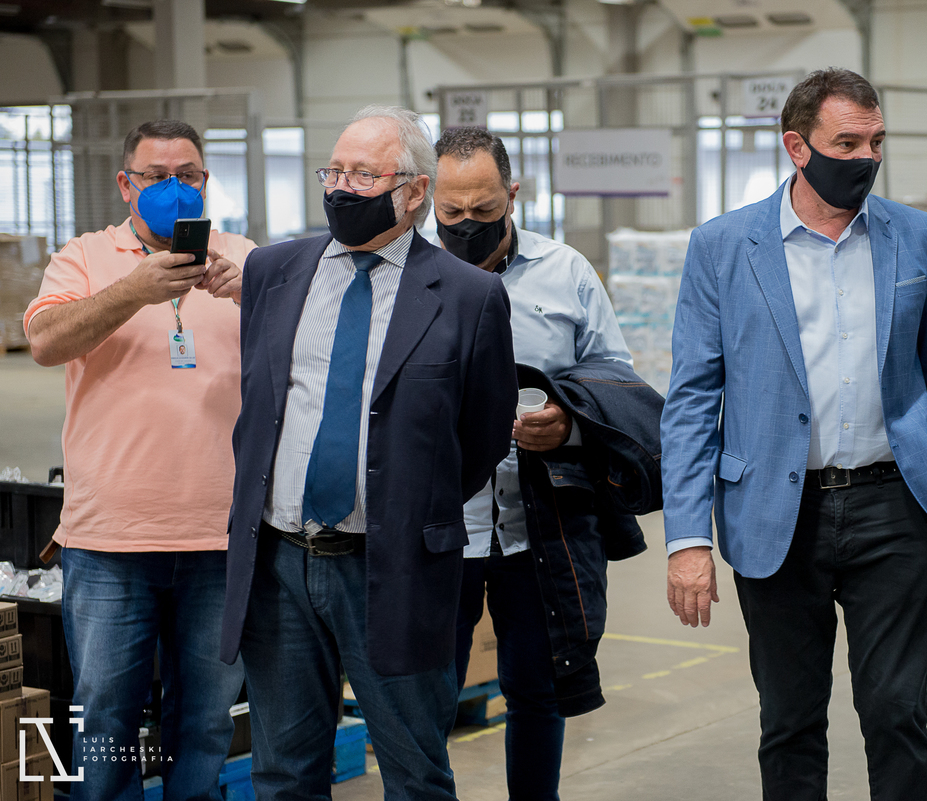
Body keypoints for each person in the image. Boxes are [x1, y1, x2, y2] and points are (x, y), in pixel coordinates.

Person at [660, 68, 927, 801]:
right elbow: (692, 400)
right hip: (777, 511)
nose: (867, 157)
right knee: (790, 719)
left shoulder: (914, 236)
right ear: (797, 147)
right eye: (848, 144)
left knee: (897, 711)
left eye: (877, 142)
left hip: (895, 508)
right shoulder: (723, 246)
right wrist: (688, 539)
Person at [219, 106, 517, 801]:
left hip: (394, 567)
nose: (342, 187)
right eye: (334, 171)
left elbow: (479, 438)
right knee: (283, 773)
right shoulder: (272, 271)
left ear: (413, 192)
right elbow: (260, 403)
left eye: (363, 175)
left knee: (415, 774)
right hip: (279, 563)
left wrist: (405, 503)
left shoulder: (469, 296)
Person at [23, 119, 251, 801]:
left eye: (189, 175)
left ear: (207, 181)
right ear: (126, 185)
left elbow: (305, 355)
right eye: (156, 176)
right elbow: (45, 341)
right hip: (110, 540)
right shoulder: (86, 256)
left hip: (219, 537)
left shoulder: (244, 258)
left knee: (205, 720)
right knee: (106, 716)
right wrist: (133, 289)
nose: (174, 188)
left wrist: (252, 293)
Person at [433, 126, 648, 801]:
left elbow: (616, 381)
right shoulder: (405, 274)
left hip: (538, 524)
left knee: (538, 688)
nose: (468, 224)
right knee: (423, 695)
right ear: (428, 198)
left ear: (514, 193)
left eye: (485, 209)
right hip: (438, 527)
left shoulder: (566, 273)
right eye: (452, 211)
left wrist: (568, 423)